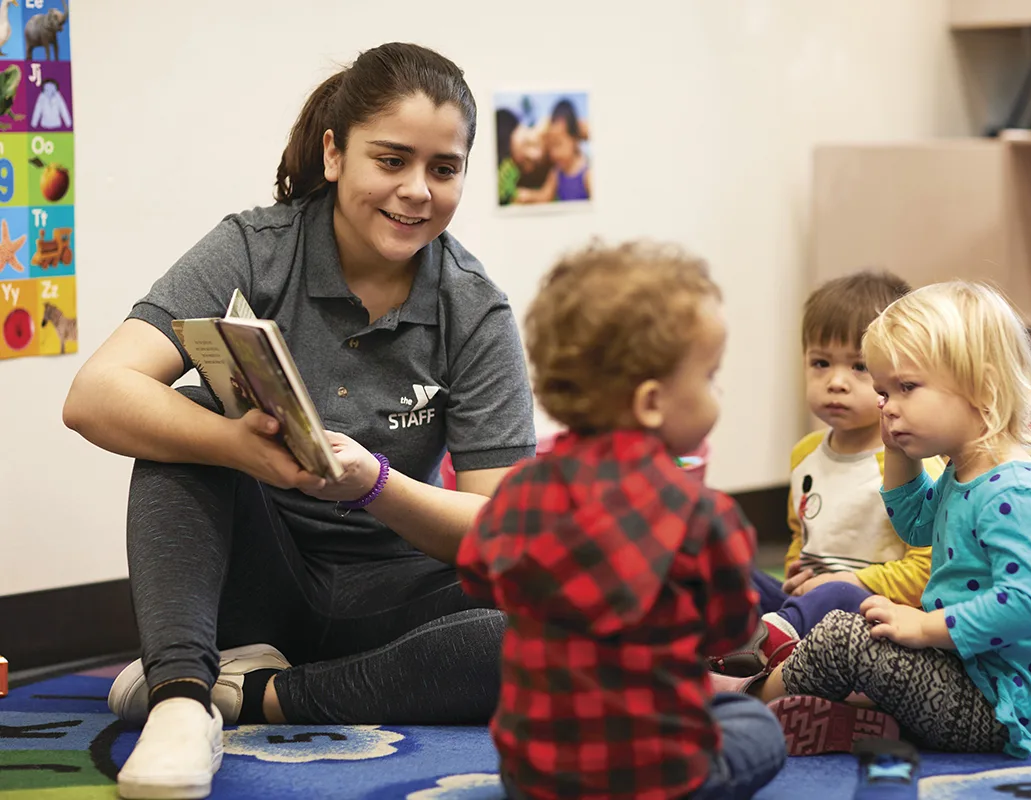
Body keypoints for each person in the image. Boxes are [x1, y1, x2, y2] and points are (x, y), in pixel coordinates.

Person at [62, 42, 536, 799]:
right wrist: (236, 446)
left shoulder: (475, 308)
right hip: (257, 589)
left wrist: (373, 486)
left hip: (397, 604)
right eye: (391, 160)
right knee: (181, 412)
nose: (417, 191)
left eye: (444, 169)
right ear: (335, 152)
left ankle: (250, 696)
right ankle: (183, 698)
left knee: (544, 632)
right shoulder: (256, 248)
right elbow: (95, 395)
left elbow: (504, 534)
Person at [456, 241, 786, 799]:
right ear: (652, 402)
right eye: (709, 376)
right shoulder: (703, 515)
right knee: (755, 724)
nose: (717, 392)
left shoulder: (521, 492)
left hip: (535, 777)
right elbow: (730, 631)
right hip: (658, 778)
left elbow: (477, 577)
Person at [719, 280, 1031, 760]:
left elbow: (1026, 603)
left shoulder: (1012, 490)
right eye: (884, 392)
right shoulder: (966, 469)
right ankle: (840, 713)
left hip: (994, 706)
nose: (888, 406)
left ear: (983, 387)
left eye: (906, 388)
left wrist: (925, 629)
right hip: (957, 669)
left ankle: (741, 702)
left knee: (845, 637)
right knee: (858, 628)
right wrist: (897, 452)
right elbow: (915, 526)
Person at [711, 271, 943, 679]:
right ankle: (730, 651)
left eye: (859, 367)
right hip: (807, 607)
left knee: (836, 592)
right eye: (820, 363)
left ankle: (755, 665)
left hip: (876, 617)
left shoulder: (915, 460)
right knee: (731, 571)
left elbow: (929, 570)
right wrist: (798, 573)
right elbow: (802, 534)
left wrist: (847, 580)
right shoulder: (805, 454)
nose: (835, 382)